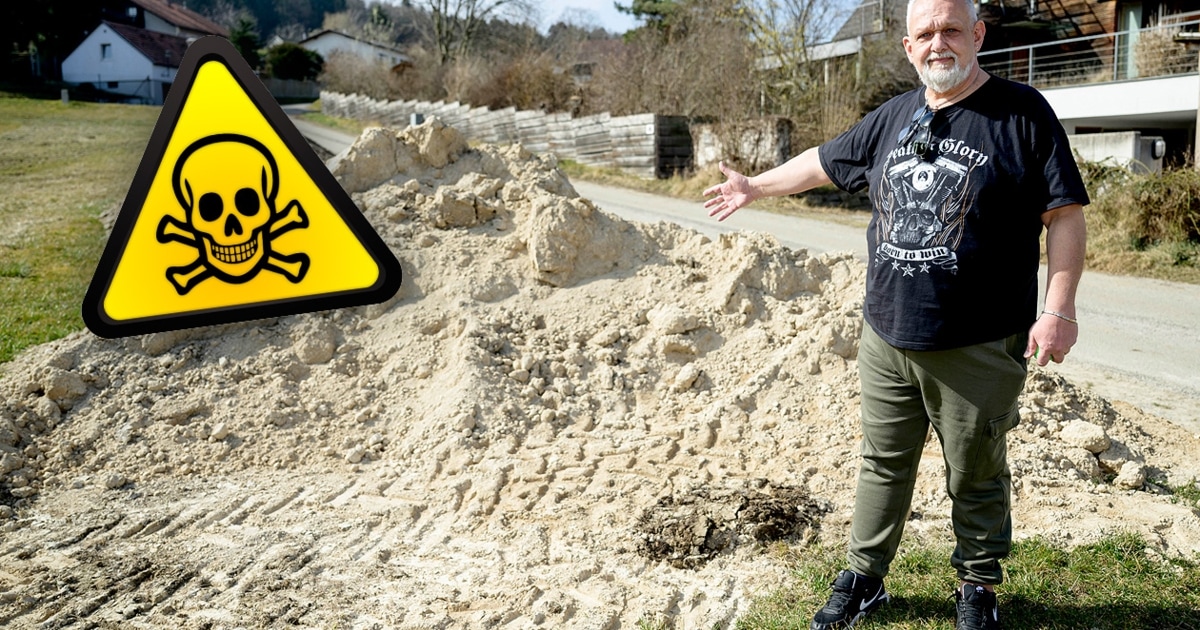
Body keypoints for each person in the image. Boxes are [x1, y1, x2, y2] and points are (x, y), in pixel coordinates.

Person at [702, 0, 1088, 628]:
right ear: (908, 48)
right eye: (925, 34)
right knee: (882, 462)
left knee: (976, 469)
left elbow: (1064, 214)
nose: (939, 43)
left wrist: (1060, 309)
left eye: (952, 30)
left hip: (979, 341)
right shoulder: (893, 117)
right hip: (886, 334)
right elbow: (825, 161)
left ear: (978, 35)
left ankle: (978, 587)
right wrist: (755, 187)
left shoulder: (1021, 113)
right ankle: (865, 577)